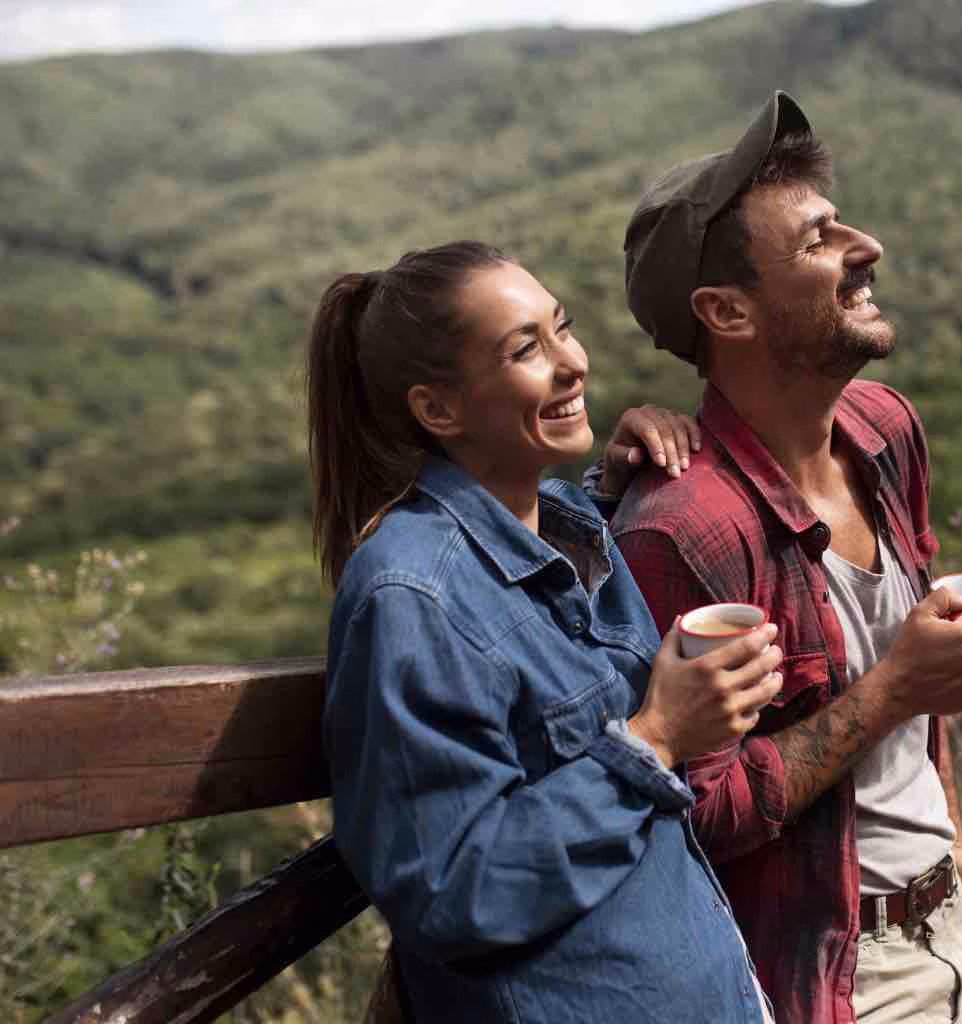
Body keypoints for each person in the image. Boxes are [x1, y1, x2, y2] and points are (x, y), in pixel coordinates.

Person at [599, 93, 962, 1024]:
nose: (867, 248)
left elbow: (923, 664)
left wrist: (955, 838)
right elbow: (697, 811)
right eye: (820, 240)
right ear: (726, 311)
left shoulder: (885, 429)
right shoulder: (683, 529)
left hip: (961, 928)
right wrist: (894, 689)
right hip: (838, 979)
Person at [306, 241, 785, 1023]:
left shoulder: (563, 519)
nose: (573, 363)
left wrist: (614, 486)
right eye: (525, 349)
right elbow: (448, 888)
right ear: (437, 410)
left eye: (563, 328)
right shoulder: (408, 597)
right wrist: (657, 738)